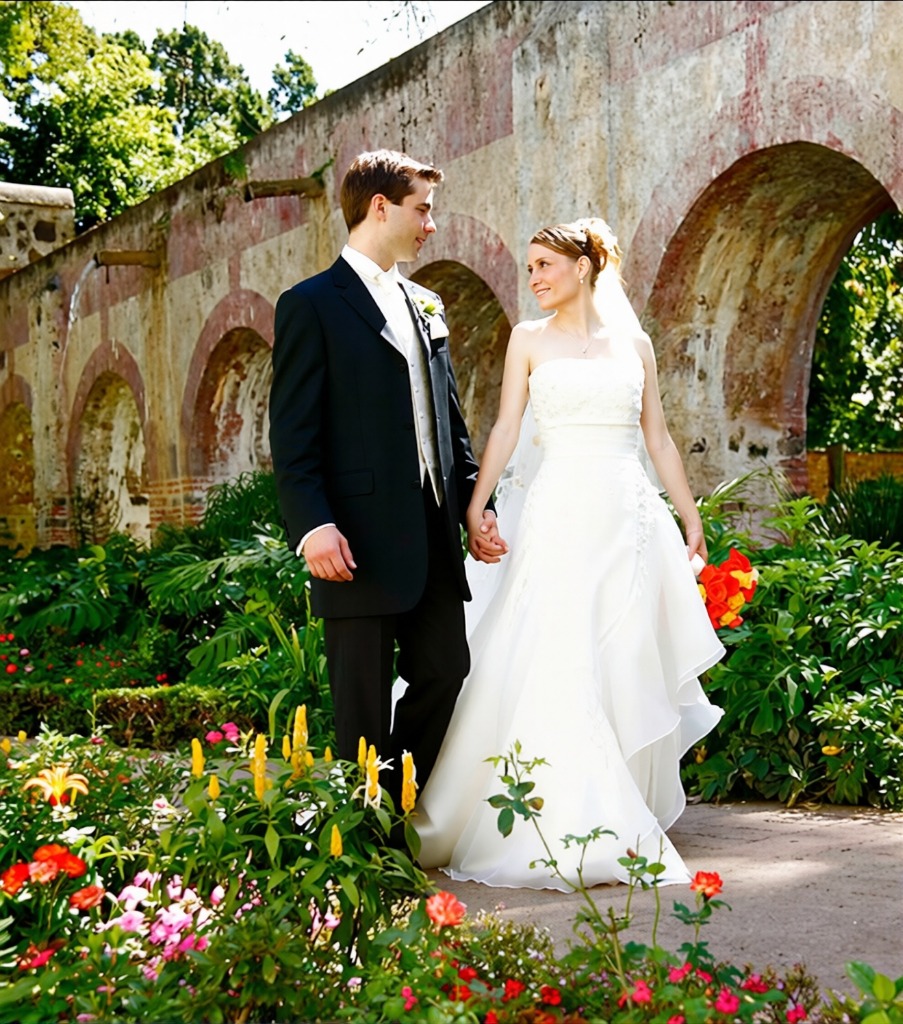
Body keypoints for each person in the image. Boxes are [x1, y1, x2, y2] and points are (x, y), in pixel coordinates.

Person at [414, 217, 725, 890]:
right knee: (557, 653)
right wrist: (477, 504)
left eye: (542, 265)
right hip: (557, 512)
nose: (532, 279)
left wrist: (687, 512)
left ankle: (619, 801)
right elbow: (503, 427)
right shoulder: (526, 340)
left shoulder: (633, 345)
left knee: (620, 652)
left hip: (625, 516)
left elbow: (660, 440)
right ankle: (553, 813)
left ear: (580, 268)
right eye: (528, 268)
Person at [268, 149, 504, 804]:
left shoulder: (427, 304)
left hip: (430, 537)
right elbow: (292, 434)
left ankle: (389, 809)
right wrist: (312, 525)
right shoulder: (309, 305)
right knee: (363, 709)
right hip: (354, 543)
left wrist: (474, 506)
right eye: (421, 210)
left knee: (445, 671)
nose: (430, 224)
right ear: (380, 207)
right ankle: (368, 848)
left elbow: (449, 424)